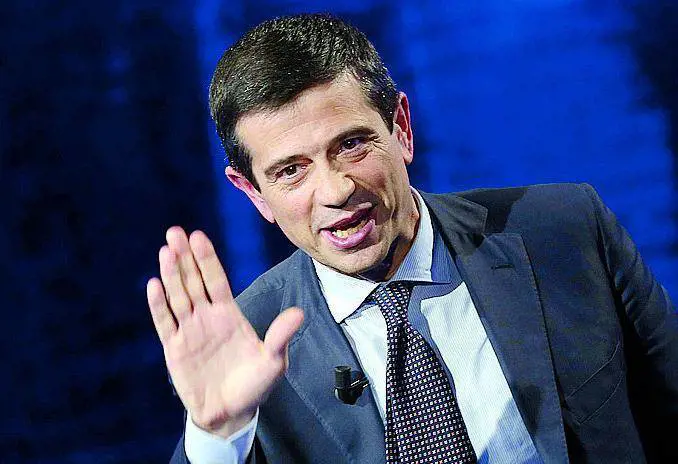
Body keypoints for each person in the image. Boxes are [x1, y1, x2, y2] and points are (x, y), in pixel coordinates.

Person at [146, 14, 678, 463]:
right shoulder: (248, 342)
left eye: (351, 145)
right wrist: (218, 437)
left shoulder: (563, 231)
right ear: (252, 192)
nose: (335, 191)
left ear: (400, 127)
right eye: (291, 171)